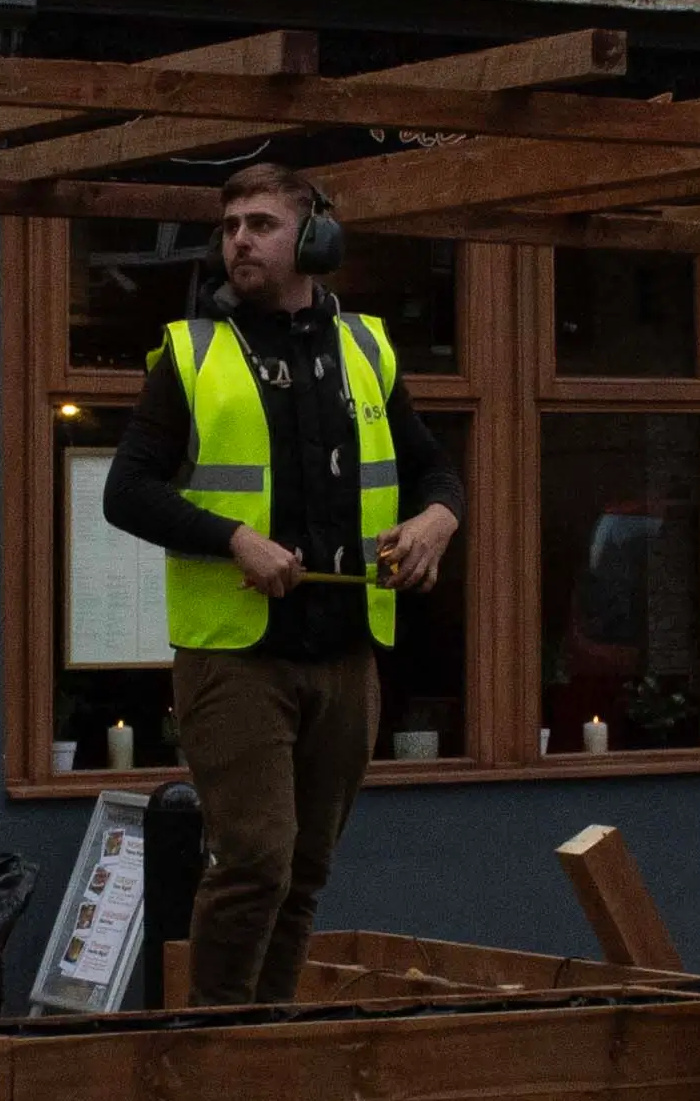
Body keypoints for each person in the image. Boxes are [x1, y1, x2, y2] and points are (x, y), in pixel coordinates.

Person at [98, 159, 457, 1004]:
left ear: (314, 236)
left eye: (259, 224)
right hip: (236, 655)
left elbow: (433, 468)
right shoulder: (191, 352)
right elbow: (126, 492)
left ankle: (269, 1037)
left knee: (303, 872)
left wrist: (439, 519)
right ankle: (213, 1045)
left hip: (345, 654)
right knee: (254, 860)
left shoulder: (365, 346)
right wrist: (233, 541)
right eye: (229, 228)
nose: (238, 241)